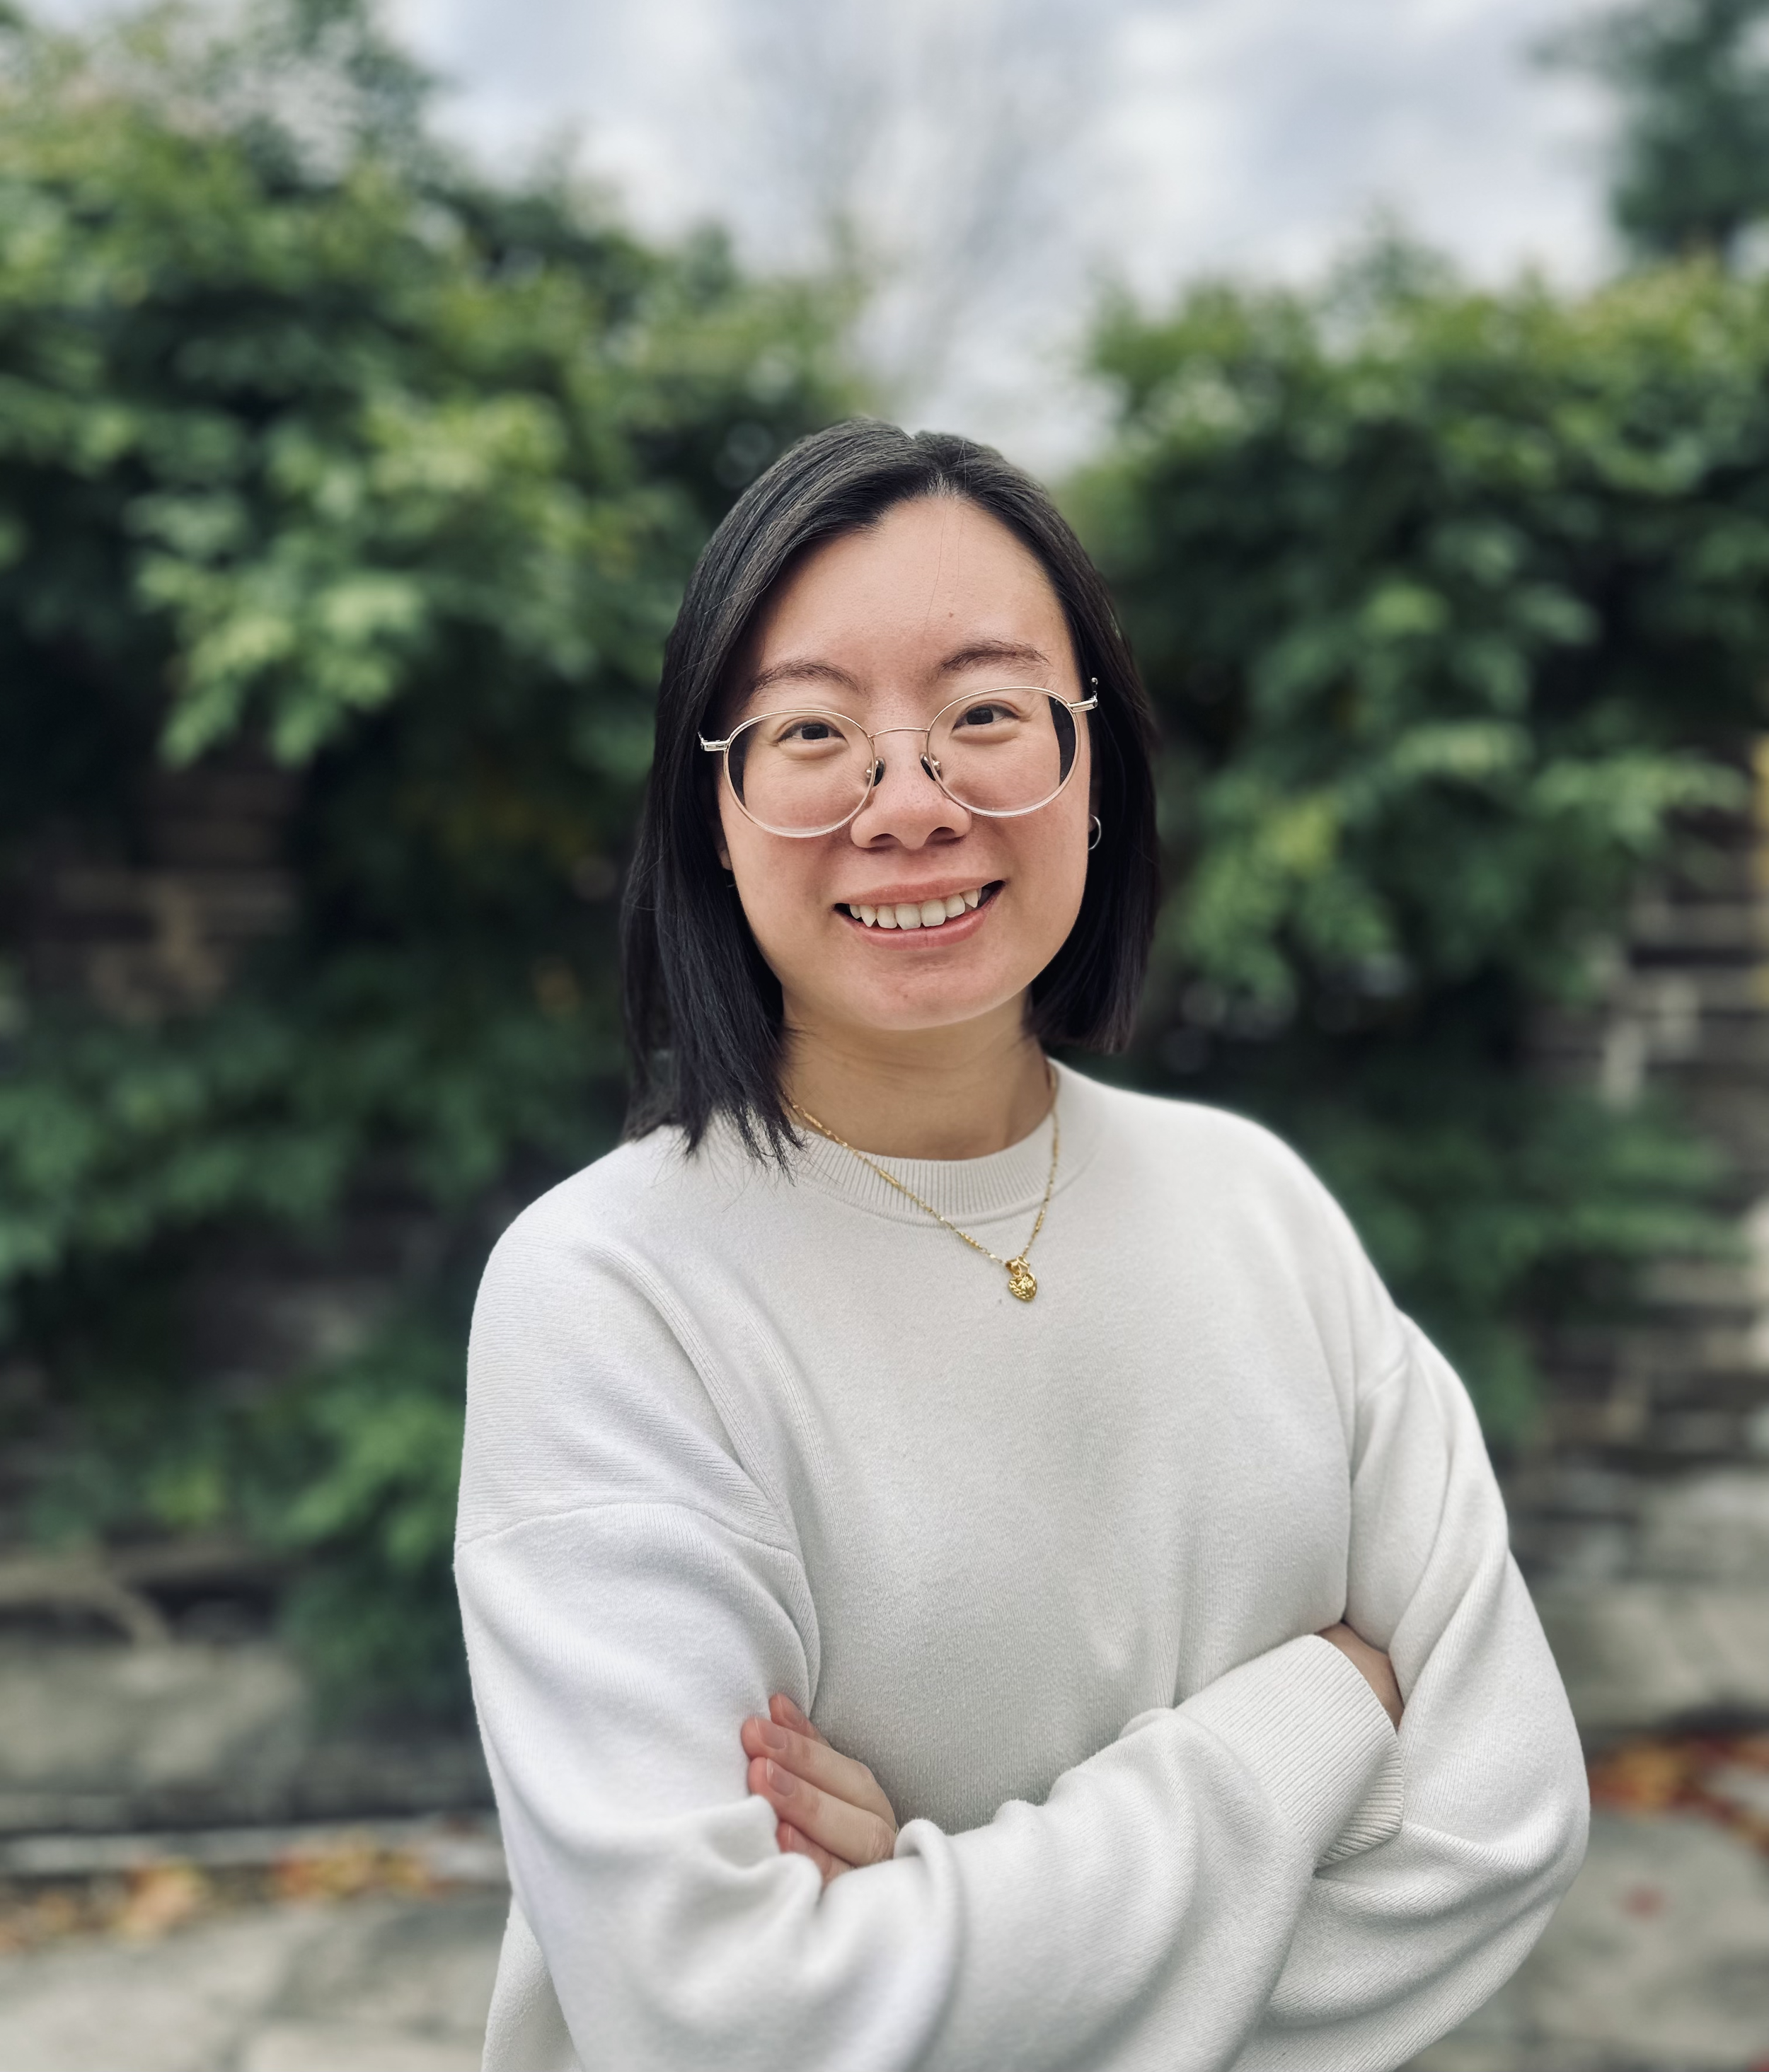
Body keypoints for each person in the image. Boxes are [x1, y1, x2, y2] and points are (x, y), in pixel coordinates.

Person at [455, 419, 1589, 2071]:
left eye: (985, 714)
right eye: (809, 729)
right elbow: (734, 2025)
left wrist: (931, 1927)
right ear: (711, 804)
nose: (907, 801)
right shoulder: (612, 1293)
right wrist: (1315, 1716)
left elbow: (1497, 1831)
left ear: (1093, 770)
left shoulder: (1255, 1204)